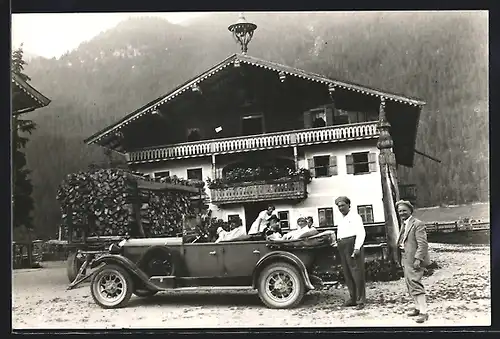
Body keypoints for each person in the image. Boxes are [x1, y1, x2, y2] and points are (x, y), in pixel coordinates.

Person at [396, 199, 431, 323]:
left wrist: (418, 259)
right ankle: (417, 308)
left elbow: (423, 244)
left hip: (414, 259)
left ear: (410, 211)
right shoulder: (404, 224)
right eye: (400, 211)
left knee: (416, 284)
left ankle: (424, 312)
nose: (402, 213)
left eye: (404, 210)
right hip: (405, 258)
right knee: (410, 284)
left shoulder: (417, 224)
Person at [335, 196, 366, 310]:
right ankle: (353, 298)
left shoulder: (355, 217)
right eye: (339, 206)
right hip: (342, 246)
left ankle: (360, 300)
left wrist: (357, 247)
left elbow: (361, 233)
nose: (341, 208)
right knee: (347, 273)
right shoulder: (341, 219)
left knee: (356, 273)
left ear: (349, 205)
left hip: (352, 245)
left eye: (343, 205)